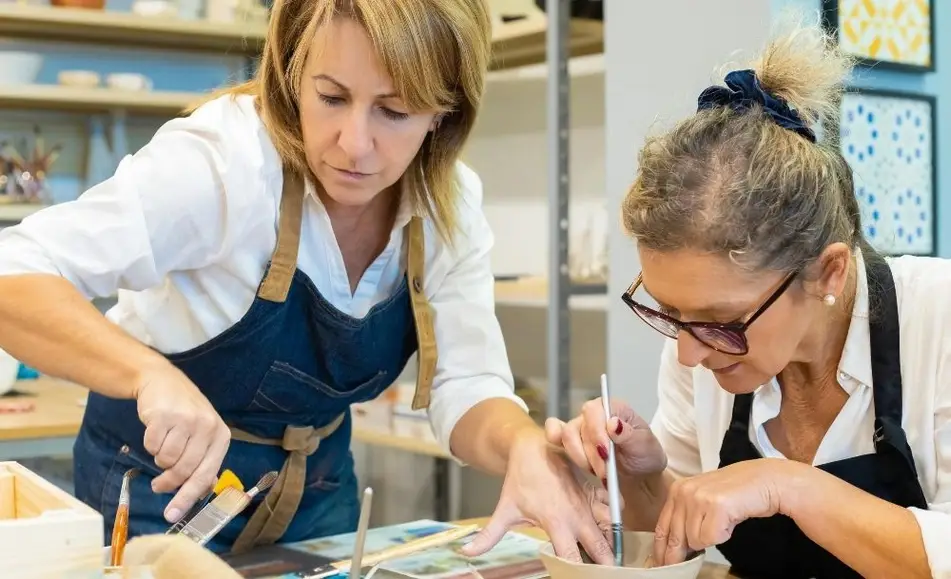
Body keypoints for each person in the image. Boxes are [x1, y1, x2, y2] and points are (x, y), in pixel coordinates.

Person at [0, 0, 612, 560]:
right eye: (331, 97)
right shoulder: (226, 161)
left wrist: (523, 446)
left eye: (395, 111)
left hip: (318, 492)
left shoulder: (447, 204)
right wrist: (148, 374)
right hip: (166, 496)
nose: (355, 143)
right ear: (293, 73)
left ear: (444, 114)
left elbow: (471, 382)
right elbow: (15, 273)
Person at [547, 19, 951, 579]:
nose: (689, 353)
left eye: (723, 320)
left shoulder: (940, 318)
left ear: (829, 272)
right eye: (670, 312)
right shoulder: (702, 341)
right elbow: (684, 527)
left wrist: (785, 486)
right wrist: (641, 477)